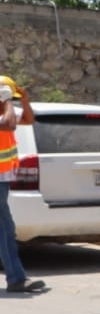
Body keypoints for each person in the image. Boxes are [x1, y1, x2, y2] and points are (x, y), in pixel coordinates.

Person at [0, 75, 45, 295]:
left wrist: (24, 100)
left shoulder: (6, 111)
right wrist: (7, 101)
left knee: (6, 230)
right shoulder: (5, 115)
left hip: (2, 181)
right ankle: (16, 279)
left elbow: (28, 120)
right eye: (8, 98)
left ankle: (16, 277)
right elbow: (8, 125)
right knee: (5, 230)